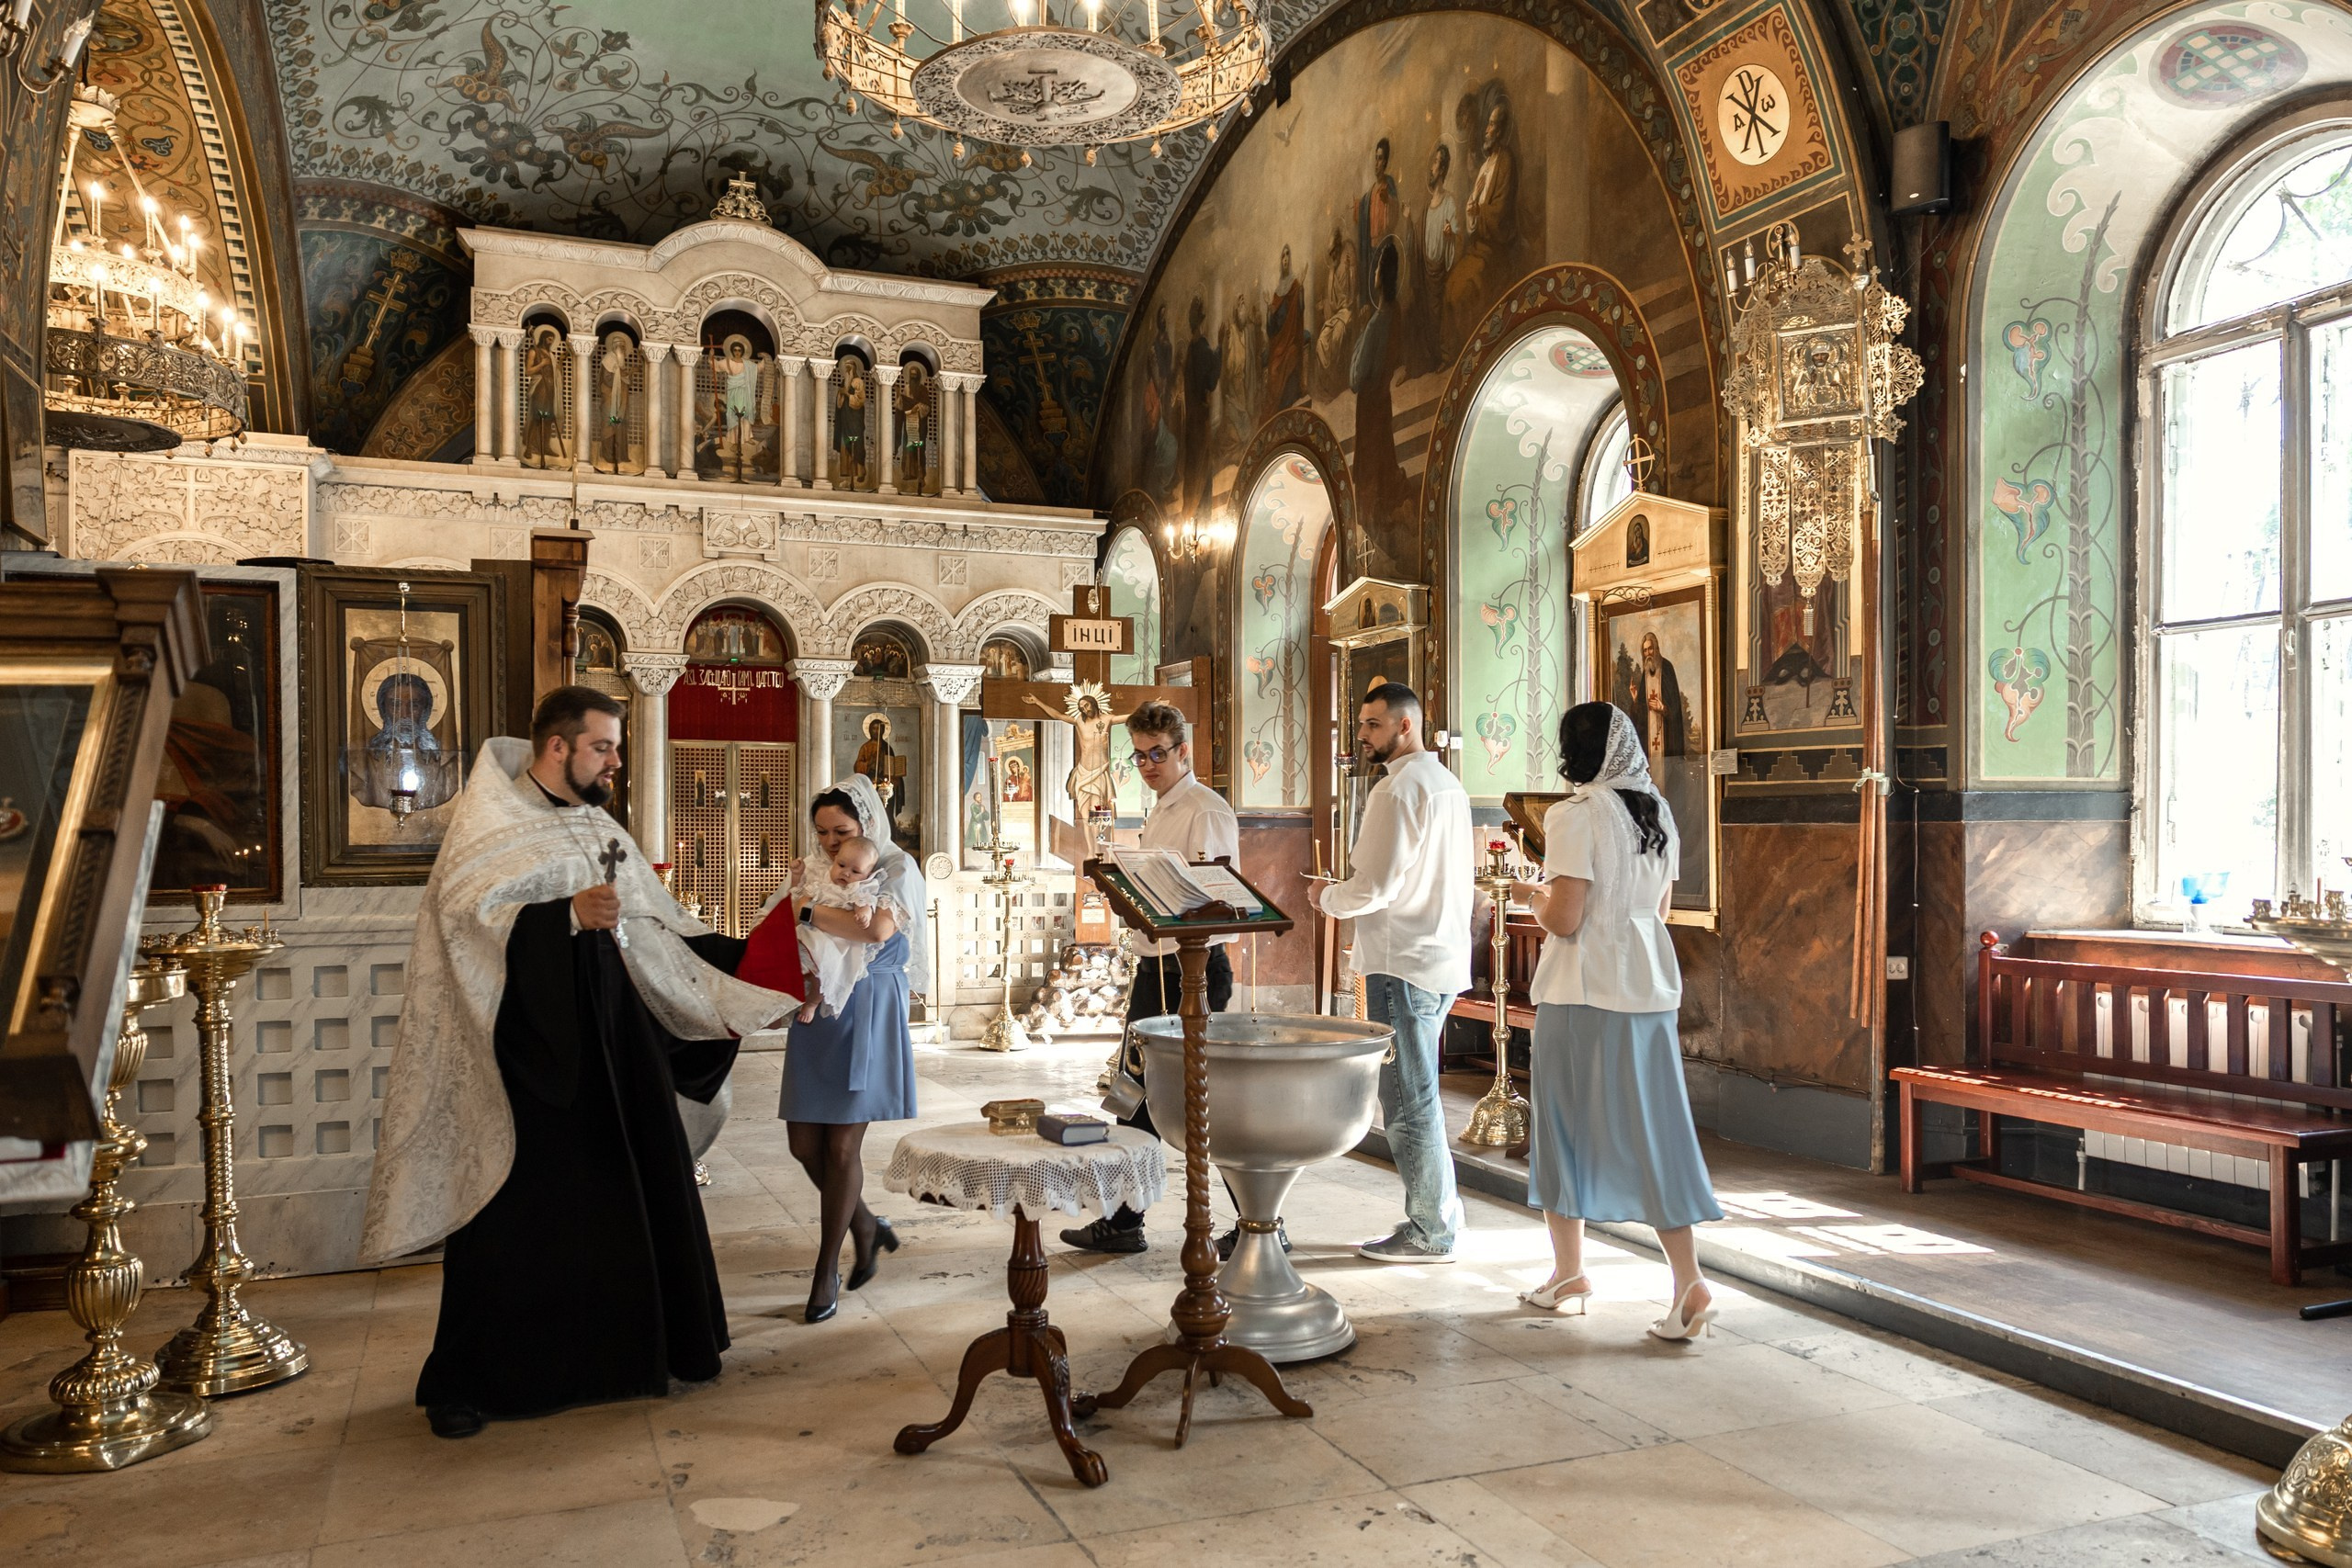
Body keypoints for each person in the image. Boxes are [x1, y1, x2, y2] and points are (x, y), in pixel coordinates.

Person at [362, 687, 797, 1438]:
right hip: (527, 1059)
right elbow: (466, 923)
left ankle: (625, 1359)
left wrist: (761, 968)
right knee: (513, 1217)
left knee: (621, 1202)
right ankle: (475, 1381)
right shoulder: (492, 817)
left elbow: (662, 927)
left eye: (616, 747)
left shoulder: (597, 821)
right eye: (603, 746)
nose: (615, 761)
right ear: (558, 746)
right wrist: (563, 916)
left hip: (613, 1047)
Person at [1511, 703, 1721, 1340]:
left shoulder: (1574, 814)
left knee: (1563, 1126)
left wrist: (1526, 893)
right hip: (1648, 986)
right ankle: (1686, 1280)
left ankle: (1570, 1272)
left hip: (1583, 987)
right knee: (1656, 1129)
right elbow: (1657, 906)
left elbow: (1567, 918)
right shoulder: (1656, 811)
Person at [1061, 701, 1238, 1257]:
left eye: (1156, 754)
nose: (1146, 765)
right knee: (1135, 1093)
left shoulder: (1203, 810)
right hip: (1157, 966)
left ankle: (1260, 1223)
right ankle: (1122, 1220)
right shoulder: (1163, 808)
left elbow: (1216, 898)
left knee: (1203, 1101)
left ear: (1183, 751)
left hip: (1192, 969)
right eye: (1138, 756)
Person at [1307, 682, 1471, 1263]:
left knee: (1407, 1100)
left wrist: (1327, 897)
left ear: (1406, 726)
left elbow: (1375, 887)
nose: (1361, 735)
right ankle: (1443, 1212)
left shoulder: (1396, 790)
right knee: (1418, 1091)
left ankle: (1430, 1230)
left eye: (1372, 725)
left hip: (1402, 963)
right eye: (1360, 724)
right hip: (1439, 956)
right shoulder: (1447, 785)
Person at [775, 776, 928, 1324]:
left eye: (842, 832)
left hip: (866, 1007)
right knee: (802, 1143)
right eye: (822, 834)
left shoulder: (896, 869)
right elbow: (783, 914)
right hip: (820, 1006)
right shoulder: (817, 868)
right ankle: (864, 1223)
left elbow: (876, 932)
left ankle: (825, 1271)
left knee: (841, 1148)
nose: (832, 845)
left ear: (867, 824)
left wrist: (808, 911)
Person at [793, 836, 885, 1025]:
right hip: (810, 933)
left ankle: (812, 1002)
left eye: (856, 871)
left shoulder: (859, 889)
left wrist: (864, 914)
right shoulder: (822, 882)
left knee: (822, 975)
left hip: (836, 942)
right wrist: (796, 875)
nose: (846, 874)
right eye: (841, 865)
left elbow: (866, 903)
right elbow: (798, 898)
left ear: (868, 874)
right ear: (834, 860)